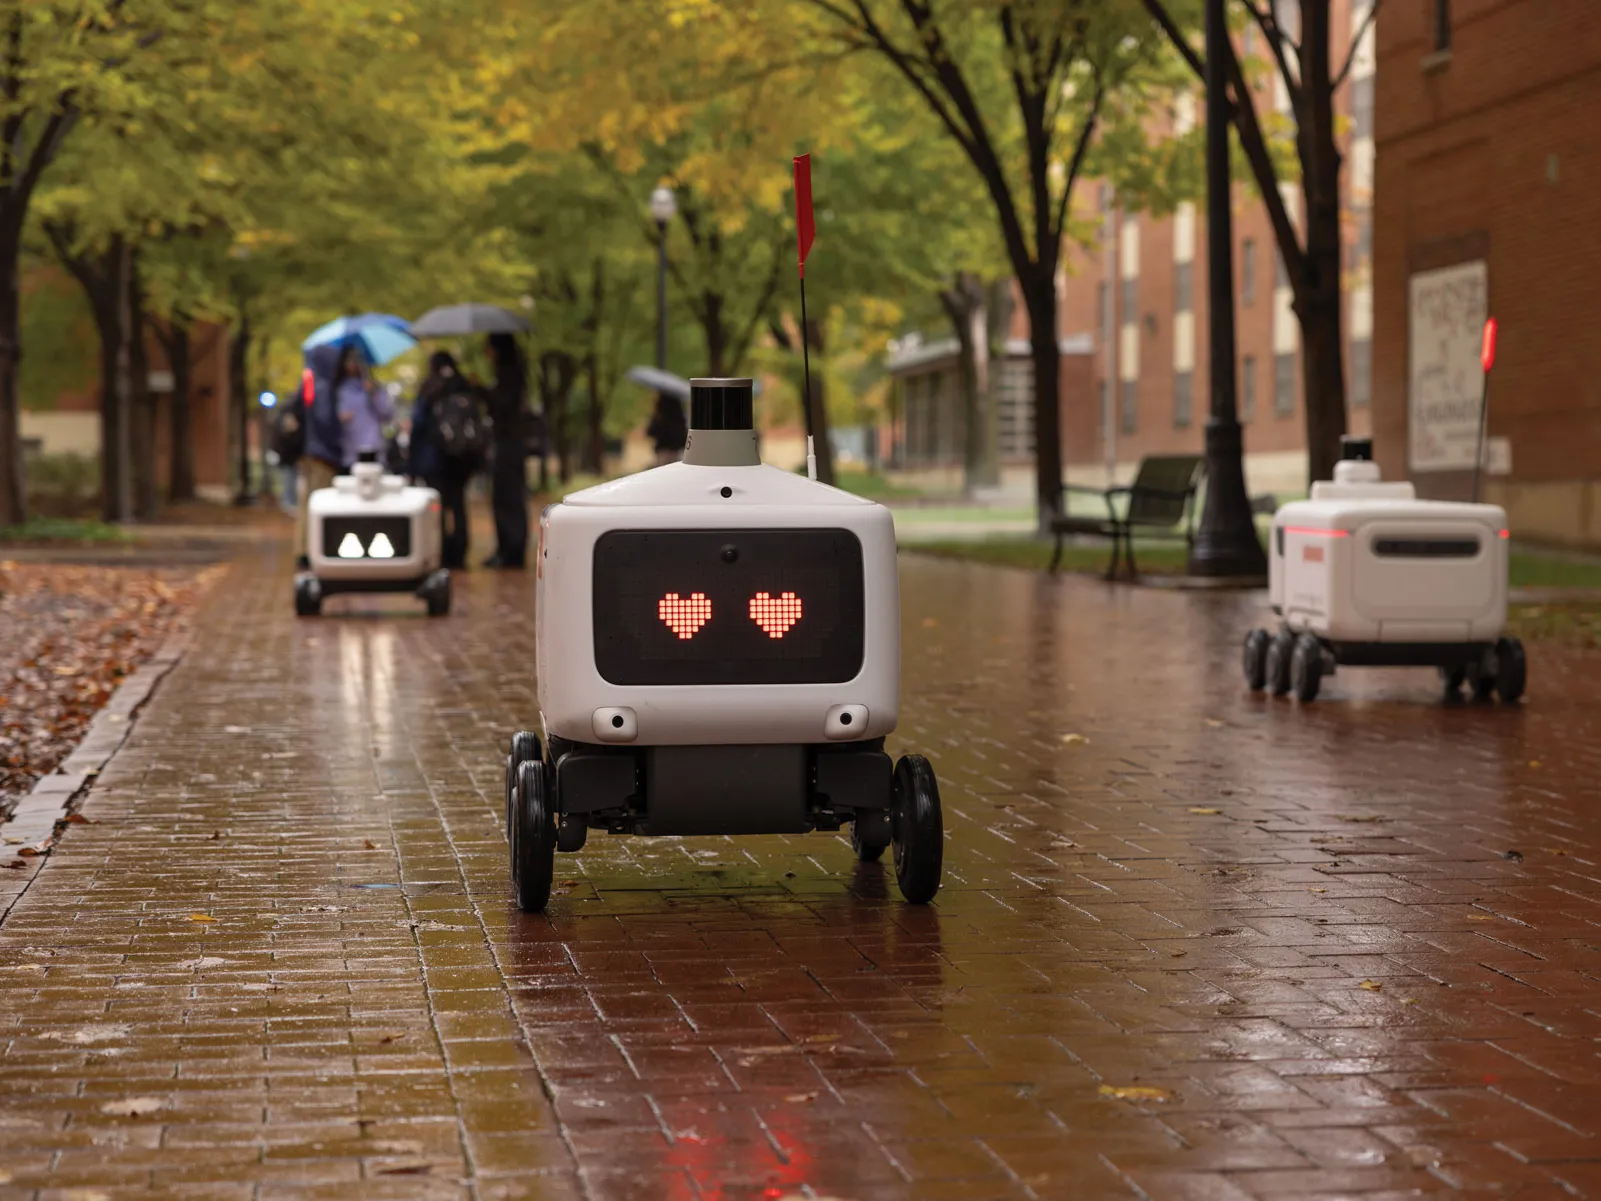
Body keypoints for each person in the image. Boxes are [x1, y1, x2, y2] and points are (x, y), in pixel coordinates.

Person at [408, 350, 479, 571]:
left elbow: (418, 424)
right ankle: (459, 549)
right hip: (461, 459)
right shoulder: (463, 386)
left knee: (436, 507)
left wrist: (411, 461)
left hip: (434, 459)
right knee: (458, 505)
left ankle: (439, 550)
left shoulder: (429, 389)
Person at [294, 344, 345, 570]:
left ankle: (304, 548)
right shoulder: (323, 387)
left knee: (308, 502)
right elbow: (325, 422)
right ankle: (309, 549)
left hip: (310, 452)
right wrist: (339, 441)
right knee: (317, 502)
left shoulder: (310, 384)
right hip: (323, 455)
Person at [482, 332, 529, 569]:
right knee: (505, 497)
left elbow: (502, 404)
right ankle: (507, 548)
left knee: (507, 497)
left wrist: (482, 391)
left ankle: (511, 550)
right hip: (509, 443)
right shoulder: (510, 373)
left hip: (509, 445)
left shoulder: (510, 375)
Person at [335, 346, 394, 468]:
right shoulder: (340, 390)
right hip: (350, 450)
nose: (354, 364)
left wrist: (374, 394)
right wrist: (340, 418)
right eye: (350, 359)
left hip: (374, 448)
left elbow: (386, 414)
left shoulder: (373, 387)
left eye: (357, 359)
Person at [646, 392, 688, 466]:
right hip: (676, 451)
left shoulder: (660, 417)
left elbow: (651, 432)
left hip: (663, 452)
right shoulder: (680, 417)